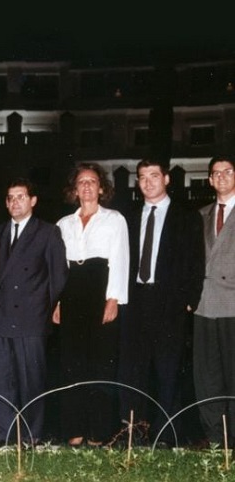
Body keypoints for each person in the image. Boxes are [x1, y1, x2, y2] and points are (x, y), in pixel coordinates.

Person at [117, 158, 204, 448]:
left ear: (166, 179)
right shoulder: (128, 216)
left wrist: (189, 300)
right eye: (142, 176)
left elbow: (196, 259)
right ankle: (134, 434)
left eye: (154, 175)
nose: (148, 181)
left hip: (170, 303)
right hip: (135, 301)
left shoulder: (186, 216)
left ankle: (167, 435)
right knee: (133, 370)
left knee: (168, 372)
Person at [0, 178, 68, 450]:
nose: (15, 202)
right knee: (0, 380)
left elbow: (58, 277)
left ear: (33, 201)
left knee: (31, 380)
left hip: (31, 318)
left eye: (21, 196)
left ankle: (32, 435)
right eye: (10, 197)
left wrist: (43, 307)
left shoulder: (47, 232)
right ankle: (3, 432)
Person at [53, 162, 129, 447]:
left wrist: (113, 299)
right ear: (74, 189)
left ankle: (98, 433)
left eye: (92, 181)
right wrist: (57, 301)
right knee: (72, 365)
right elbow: (59, 268)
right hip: (71, 294)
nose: (86, 186)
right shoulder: (63, 224)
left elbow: (120, 260)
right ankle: (74, 431)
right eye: (81, 182)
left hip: (100, 291)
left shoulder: (114, 219)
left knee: (100, 364)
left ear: (101, 187)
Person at [193, 154, 235, 447]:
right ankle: (216, 438)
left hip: (234, 305)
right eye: (215, 173)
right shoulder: (201, 214)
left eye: (228, 171)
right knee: (207, 376)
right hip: (204, 306)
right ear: (209, 180)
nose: (221, 177)